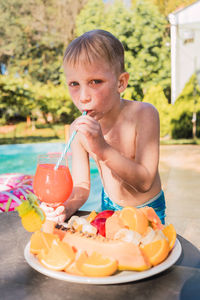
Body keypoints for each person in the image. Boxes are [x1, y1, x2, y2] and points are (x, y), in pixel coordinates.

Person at [42, 29, 166, 224]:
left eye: (95, 82)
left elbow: (145, 181)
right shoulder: (78, 130)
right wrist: (66, 207)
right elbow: (82, 185)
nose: (83, 97)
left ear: (121, 82)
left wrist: (102, 148)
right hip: (108, 205)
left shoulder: (144, 115)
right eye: (74, 83)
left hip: (147, 210)